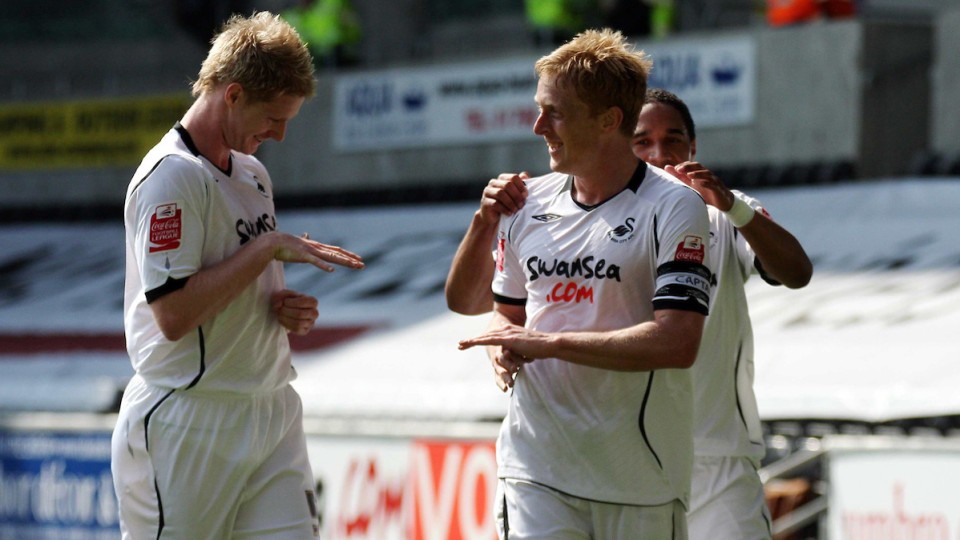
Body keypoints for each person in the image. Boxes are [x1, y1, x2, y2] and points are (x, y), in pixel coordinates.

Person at [112, 12, 364, 539]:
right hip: (188, 418)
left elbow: (234, 277)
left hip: (270, 408)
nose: (280, 134)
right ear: (232, 94)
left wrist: (278, 307)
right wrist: (269, 248)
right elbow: (175, 315)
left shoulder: (251, 172)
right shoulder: (171, 177)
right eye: (274, 117)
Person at [455, 29, 713, 538]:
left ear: (608, 121)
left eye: (555, 112)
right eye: (538, 108)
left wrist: (546, 344)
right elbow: (493, 311)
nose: (537, 126)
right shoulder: (525, 201)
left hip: (640, 478)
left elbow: (678, 342)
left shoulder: (675, 205)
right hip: (535, 469)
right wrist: (502, 345)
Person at [633, 88, 812, 539]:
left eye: (673, 139)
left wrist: (730, 206)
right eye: (642, 141)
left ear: (693, 147)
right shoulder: (595, 219)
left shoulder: (726, 212)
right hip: (628, 457)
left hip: (719, 459)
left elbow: (796, 272)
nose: (659, 153)